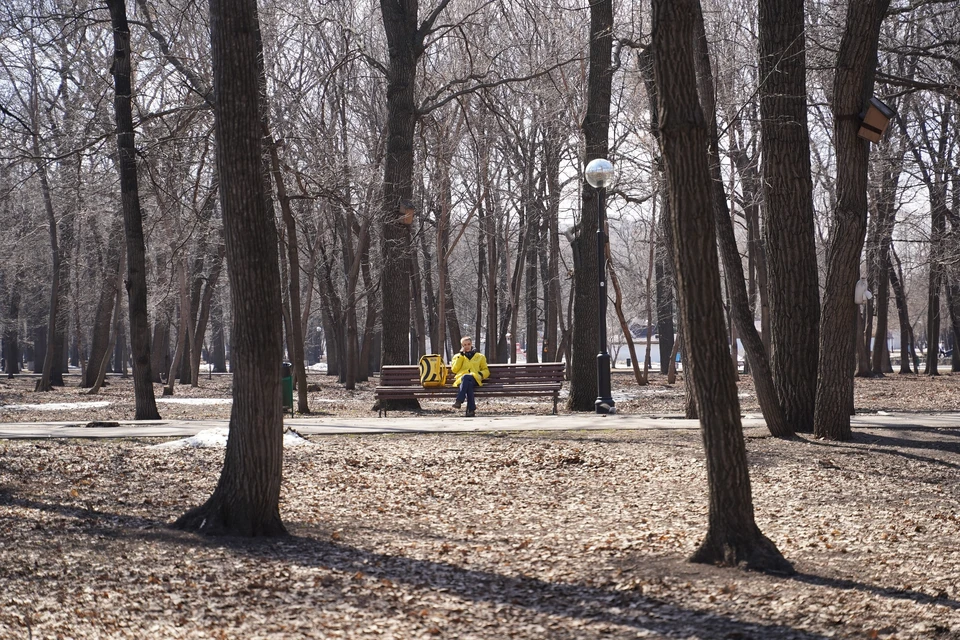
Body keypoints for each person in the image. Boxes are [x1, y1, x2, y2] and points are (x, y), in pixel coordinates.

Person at [450, 336, 489, 417]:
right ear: (462, 346)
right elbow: (454, 369)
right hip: (462, 380)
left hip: (475, 378)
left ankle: (459, 400)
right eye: (464, 345)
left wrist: (480, 375)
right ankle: (471, 410)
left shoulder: (480, 356)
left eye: (468, 344)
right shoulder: (457, 356)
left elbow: (486, 370)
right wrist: (460, 356)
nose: (466, 346)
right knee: (467, 382)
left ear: (471, 344)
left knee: (467, 378)